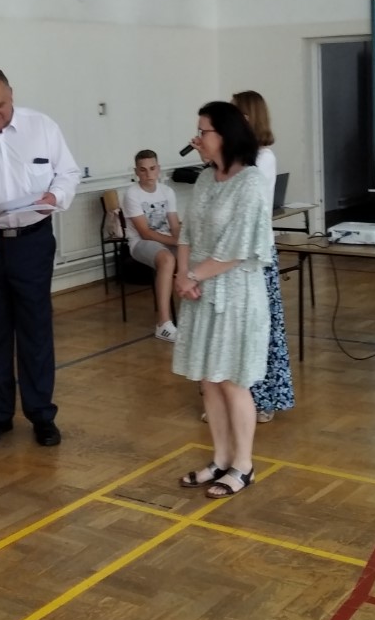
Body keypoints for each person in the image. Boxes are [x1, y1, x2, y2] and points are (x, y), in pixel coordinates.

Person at [0, 67, 80, 447]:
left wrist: (55, 195)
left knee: (35, 330)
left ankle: (41, 415)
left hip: (32, 241)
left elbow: (68, 173)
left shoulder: (42, 127)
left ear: (11, 94)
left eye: (0, 105)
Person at [173, 102, 273, 500]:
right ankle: (219, 458)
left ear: (225, 136)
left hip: (235, 294)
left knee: (232, 381)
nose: (196, 138)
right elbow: (186, 234)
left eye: (203, 131)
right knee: (209, 381)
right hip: (199, 289)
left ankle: (243, 466)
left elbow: (238, 248)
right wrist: (183, 275)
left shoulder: (250, 182)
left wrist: (192, 276)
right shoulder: (204, 179)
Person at [233, 90, 294, 424]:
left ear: (247, 117)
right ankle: (233, 399)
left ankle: (264, 398)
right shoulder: (232, 156)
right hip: (231, 252)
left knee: (261, 327)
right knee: (233, 329)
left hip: (255, 252)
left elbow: (250, 200)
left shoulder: (263, 157)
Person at [122, 149, 180, 342]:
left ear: (158, 169)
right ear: (136, 172)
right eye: (143, 170)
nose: (148, 174)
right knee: (167, 259)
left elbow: (174, 226)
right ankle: (163, 323)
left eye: (152, 168)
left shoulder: (167, 191)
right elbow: (145, 233)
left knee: (195, 255)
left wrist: (184, 243)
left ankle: (195, 317)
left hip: (166, 239)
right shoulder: (132, 194)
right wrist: (176, 242)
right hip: (141, 244)